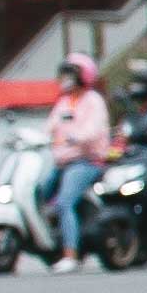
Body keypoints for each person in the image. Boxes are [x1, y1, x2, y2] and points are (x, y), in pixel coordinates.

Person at [36, 58, 116, 265]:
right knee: (40, 195)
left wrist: (75, 137)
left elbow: (93, 130)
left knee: (64, 202)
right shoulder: (64, 102)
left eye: (70, 75)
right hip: (63, 163)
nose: (65, 80)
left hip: (86, 162)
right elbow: (50, 126)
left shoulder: (93, 100)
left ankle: (71, 254)